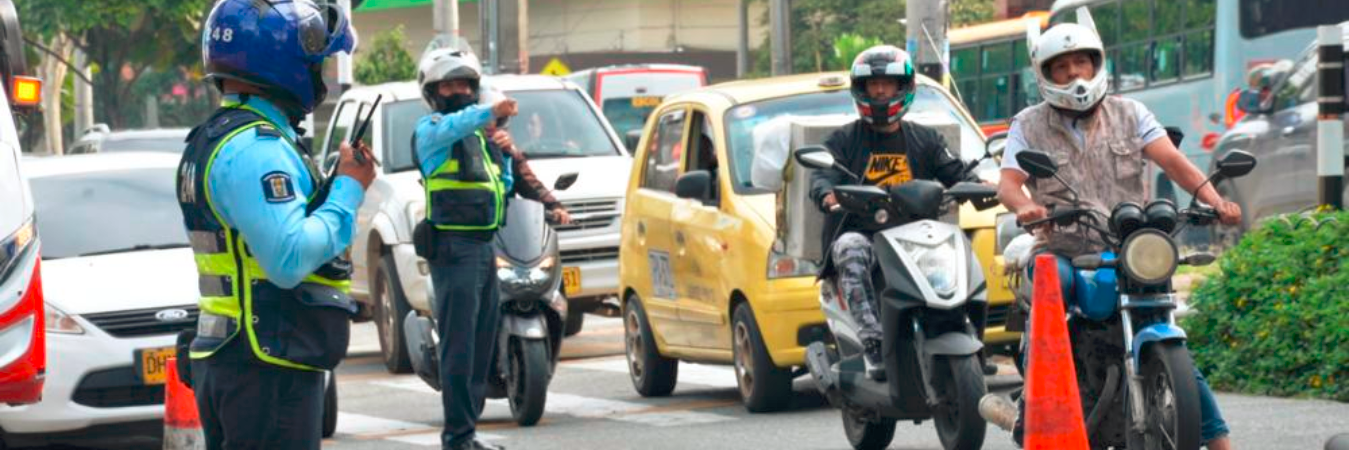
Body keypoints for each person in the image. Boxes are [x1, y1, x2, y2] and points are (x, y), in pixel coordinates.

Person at [996, 15, 1236, 450]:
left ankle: (1217, 440)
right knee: (1051, 289)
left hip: (1129, 246)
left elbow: (1173, 162)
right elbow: (1009, 184)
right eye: (1062, 67)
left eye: (1082, 63)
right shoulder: (1027, 124)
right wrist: (1027, 207)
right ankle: (1033, 409)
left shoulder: (1132, 113)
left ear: (1097, 64)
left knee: (1161, 321)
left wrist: (1215, 201)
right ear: (1046, 75)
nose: (1075, 75)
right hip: (1063, 248)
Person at [178, 1, 374, 448]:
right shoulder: (256, 148)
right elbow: (287, 259)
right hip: (266, 366)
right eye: (315, 65)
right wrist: (348, 190)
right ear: (284, 62)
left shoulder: (215, 137)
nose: (317, 76)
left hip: (238, 358)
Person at [809, 45, 980, 381]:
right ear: (861, 91)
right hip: (866, 233)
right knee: (849, 248)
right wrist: (827, 194)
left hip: (916, 236)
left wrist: (978, 184)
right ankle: (872, 342)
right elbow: (822, 174)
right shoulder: (844, 140)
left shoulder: (925, 139)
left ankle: (966, 331)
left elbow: (954, 171)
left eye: (888, 84)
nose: (881, 91)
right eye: (873, 86)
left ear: (905, 87)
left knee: (958, 248)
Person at [410, 44, 517, 450]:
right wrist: (489, 113)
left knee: (480, 346)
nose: (458, 91)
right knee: (458, 348)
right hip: (454, 250)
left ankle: (467, 434)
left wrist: (504, 154)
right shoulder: (431, 131)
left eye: (465, 84)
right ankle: (457, 438)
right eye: (448, 84)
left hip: (484, 247)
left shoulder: (481, 138)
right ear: (433, 92)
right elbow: (454, 126)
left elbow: (501, 187)